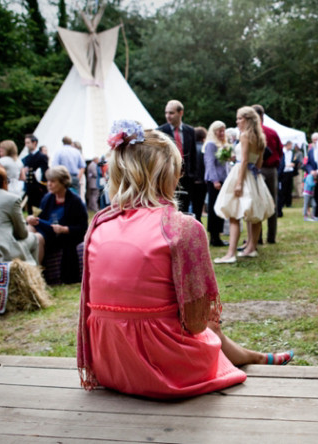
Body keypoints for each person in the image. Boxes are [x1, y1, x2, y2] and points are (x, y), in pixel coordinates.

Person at [77, 120, 292, 399]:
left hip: (109, 363)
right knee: (208, 327)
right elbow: (196, 323)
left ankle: (252, 356)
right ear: (169, 173)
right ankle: (251, 357)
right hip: (164, 370)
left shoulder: (99, 223)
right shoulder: (182, 228)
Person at [213, 107, 275, 263]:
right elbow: (259, 162)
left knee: (234, 213)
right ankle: (251, 248)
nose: (237, 121)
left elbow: (245, 160)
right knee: (254, 214)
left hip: (242, 173)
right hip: (254, 176)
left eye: (240, 118)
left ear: (248, 119)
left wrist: (239, 183)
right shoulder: (260, 137)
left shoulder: (245, 135)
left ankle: (230, 254)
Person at [27, 166, 88, 283]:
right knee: (29, 228)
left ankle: (36, 275)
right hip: (49, 231)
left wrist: (65, 229)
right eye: (48, 181)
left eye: (53, 181)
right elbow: (40, 217)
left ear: (63, 182)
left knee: (38, 238)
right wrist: (31, 219)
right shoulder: (47, 198)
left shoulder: (75, 201)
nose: (49, 184)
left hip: (64, 236)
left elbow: (83, 227)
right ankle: (27, 269)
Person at [158, 100, 198, 215]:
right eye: (166, 113)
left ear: (181, 113)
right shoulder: (160, 131)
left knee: (185, 208)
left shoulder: (190, 131)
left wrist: (193, 175)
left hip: (186, 177)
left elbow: (193, 154)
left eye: (171, 113)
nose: (167, 116)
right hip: (167, 177)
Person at [252, 104, 283, 244]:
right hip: (270, 170)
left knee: (257, 202)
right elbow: (280, 151)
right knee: (272, 203)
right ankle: (271, 236)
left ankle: (257, 238)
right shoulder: (272, 132)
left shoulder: (252, 133)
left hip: (256, 170)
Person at [203, 121, 230, 247]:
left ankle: (217, 235)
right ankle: (214, 237)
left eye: (223, 130)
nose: (222, 133)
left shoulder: (222, 144)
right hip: (215, 181)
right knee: (214, 208)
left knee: (220, 207)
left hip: (223, 179)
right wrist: (215, 181)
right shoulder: (210, 144)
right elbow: (209, 163)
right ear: (214, 132)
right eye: (220, 131)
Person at [22, 134, 49, 214]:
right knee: (31, 208)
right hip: (30, 187)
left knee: (39, 209)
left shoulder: (41, 156)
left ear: (34, 143)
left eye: (28, 143)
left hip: (39, 188)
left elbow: (45, 172)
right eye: (26, 143)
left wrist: (42, 185)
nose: (26, 145)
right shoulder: (27, 158)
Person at [192, 126, 208, 221]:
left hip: (192, 181)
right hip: (202, 182)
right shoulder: (204, 148)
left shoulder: (191, 148)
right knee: (198, 207)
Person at [278, 141, 297, 214]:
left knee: (289, 187)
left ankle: (289, 203)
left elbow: (294, 160)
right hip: (284, 171)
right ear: (287, 145)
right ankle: (282, 203)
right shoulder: (282, 152)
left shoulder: (291, 153)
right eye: (291, 145)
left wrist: (293, 163)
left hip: (290, 171)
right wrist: (287, 165)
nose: (291, 146)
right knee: (283, 188)